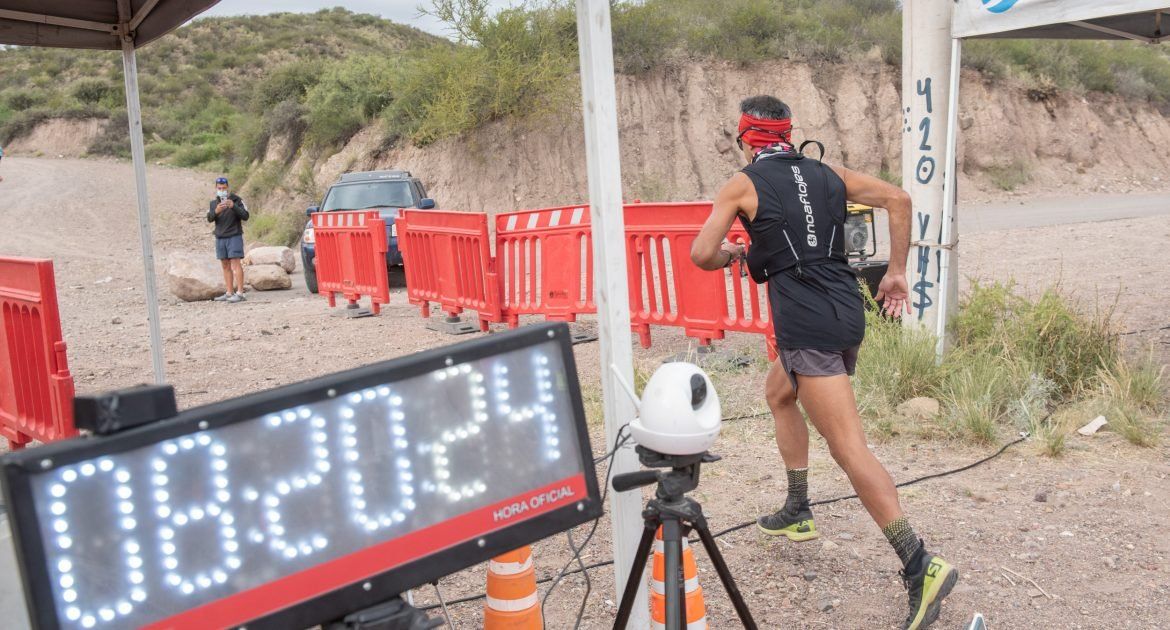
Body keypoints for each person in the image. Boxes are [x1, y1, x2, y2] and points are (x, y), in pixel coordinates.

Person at [690, 95, 957, 630]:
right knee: (778, 393)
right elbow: (900, 199)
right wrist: (896, 271)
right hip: (843, 309)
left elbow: (701, 254)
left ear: (746, 138)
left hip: (807, 324)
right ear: (790, 134)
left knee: (848, 446)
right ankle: (797, 507)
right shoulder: (828, 171)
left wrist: (735, 255)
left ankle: (918, 562)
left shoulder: (742, 184)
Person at [207, 176, 249, 303]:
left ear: (228, 188)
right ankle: (229, 292)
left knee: (236, 264)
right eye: (219, 188)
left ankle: (240, 293)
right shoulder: (214, 203)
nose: (221, 190)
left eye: (224, 188)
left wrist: (233, 206)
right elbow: (209, 218)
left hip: (234, 236)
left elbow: (246, 216)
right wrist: (216, 211)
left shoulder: (237, 200)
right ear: (216, 188)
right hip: (220, 237)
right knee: (225, 265)